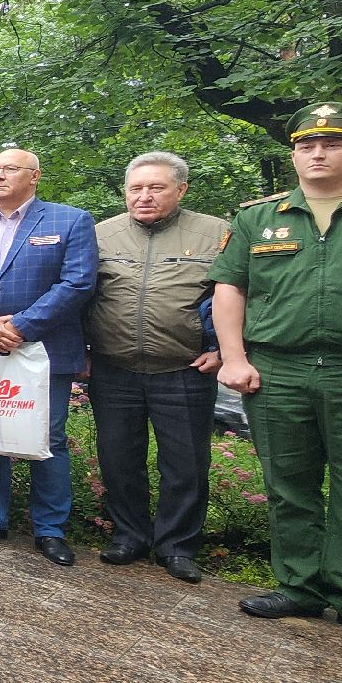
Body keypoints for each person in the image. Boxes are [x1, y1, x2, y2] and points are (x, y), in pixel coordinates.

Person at [210, 102, 342, 648]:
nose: (317, 153)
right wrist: (234, 358)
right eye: (306, 145)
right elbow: (230, 290)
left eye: (332, 144)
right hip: (277, 370)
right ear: (293, 154)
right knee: (288, 484)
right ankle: (300, 584)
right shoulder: (256, 218)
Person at [0, 148, 96, 566]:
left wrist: (22, 326)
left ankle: (50, 529)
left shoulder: (71, 220)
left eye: (9, 169)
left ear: (35, 176)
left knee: (48, 438)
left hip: (42, 348)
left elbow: (78, 283)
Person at [85, 152, 227, 583]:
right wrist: (82, 353)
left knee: (185, 463)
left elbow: (241, 293)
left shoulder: (215, 233)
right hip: (114, 368)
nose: (144, 197)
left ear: (181, 189)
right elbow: (79, 294)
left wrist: (224, 349)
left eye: (156, 188)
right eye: (135, 188)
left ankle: (178, 547)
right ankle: (130, 536)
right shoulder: (99, 234)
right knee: (118, 458)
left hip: (184, 368)